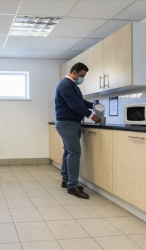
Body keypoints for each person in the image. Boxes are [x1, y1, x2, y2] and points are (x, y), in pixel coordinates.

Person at [55, 62, 101, 199]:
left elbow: (79, 101)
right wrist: (92, 115)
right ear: (74, 72)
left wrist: (93, 104)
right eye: (81, 75)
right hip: (67, 123)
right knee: (74, 153)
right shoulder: (65, 85)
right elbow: (74, 104)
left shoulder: (72, 85)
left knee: (69, 152)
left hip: (70, 123)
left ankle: (66, 181)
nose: (82, 78)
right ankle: (72, 186)